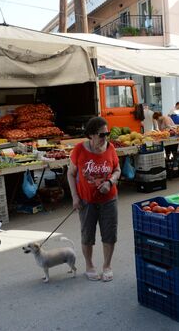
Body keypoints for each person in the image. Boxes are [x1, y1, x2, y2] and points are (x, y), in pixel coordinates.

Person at [67, 117, 121, 282]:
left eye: (107, 134)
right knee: (87, 235)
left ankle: (107, 266)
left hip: (109, 199)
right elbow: (71, 173)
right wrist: (75, 197)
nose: (105, 138)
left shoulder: (110, 148)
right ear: (91, 135)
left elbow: (117, 170)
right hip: (86, 200)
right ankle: (89, 265)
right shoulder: (79, 150)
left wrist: (110, 182)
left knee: (109, 234)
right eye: (101, 135)